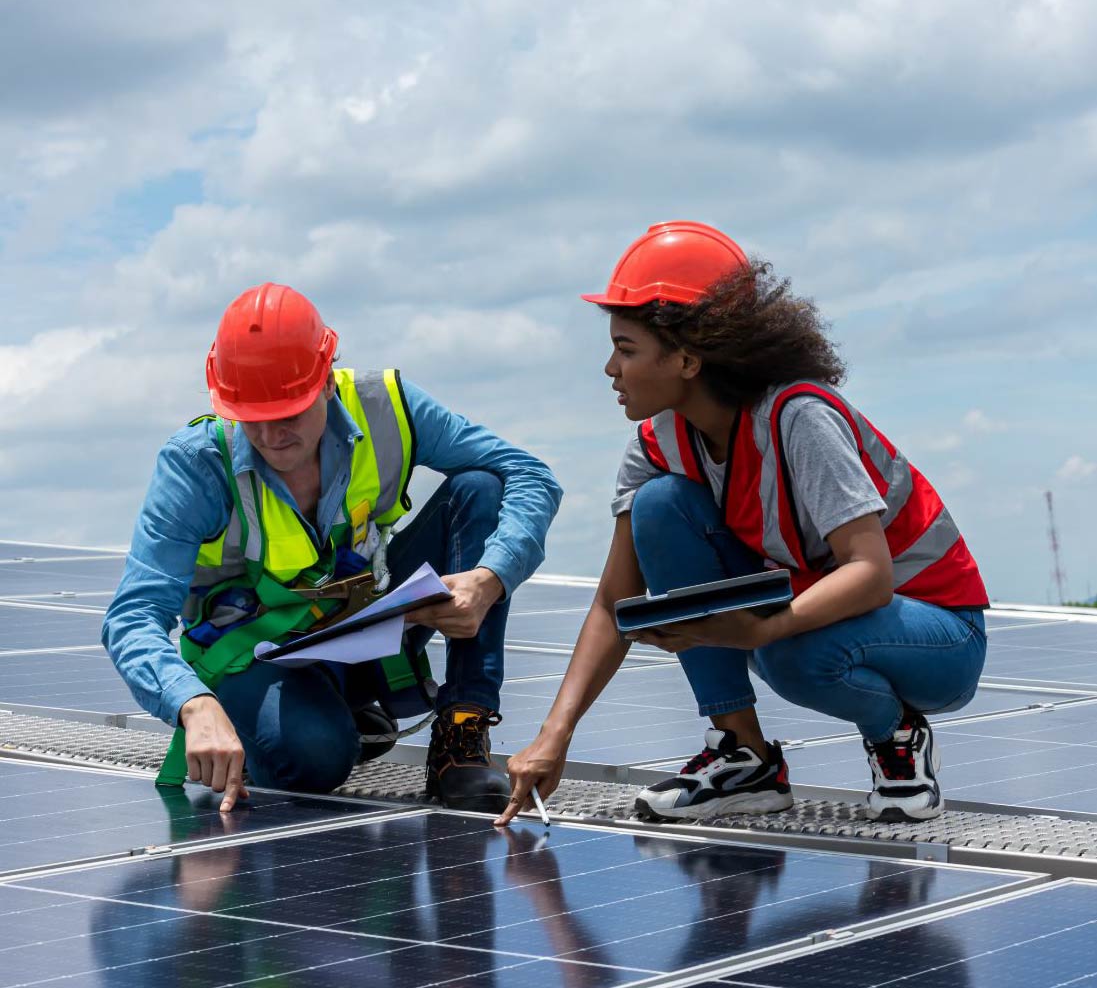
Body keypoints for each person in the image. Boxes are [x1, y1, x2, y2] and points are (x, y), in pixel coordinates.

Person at [497, 222, 988, 828]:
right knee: (659, 505)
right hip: (817, 618)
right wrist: (556, 734)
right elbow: (612, 603)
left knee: (788, 653)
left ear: (687, 358)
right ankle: (745, 756)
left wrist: (760, 631)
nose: (609, 369)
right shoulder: (655, 446)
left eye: (626, 350)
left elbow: (871, 575)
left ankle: (897, 736)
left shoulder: (798, 419)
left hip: (939, 638)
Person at [104, 282, 561, 813]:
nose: (272, 437)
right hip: (255, 657)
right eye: (253, 418)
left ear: (325, 381)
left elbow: (530, 474)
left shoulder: (388, 409)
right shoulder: (195, 465)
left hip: (365, 628)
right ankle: (303, 722)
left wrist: (492, 577)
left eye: (289, 413)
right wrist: (193, 703)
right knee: (317, 759)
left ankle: (461, 738)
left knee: (480, 488)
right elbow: (132, 615)